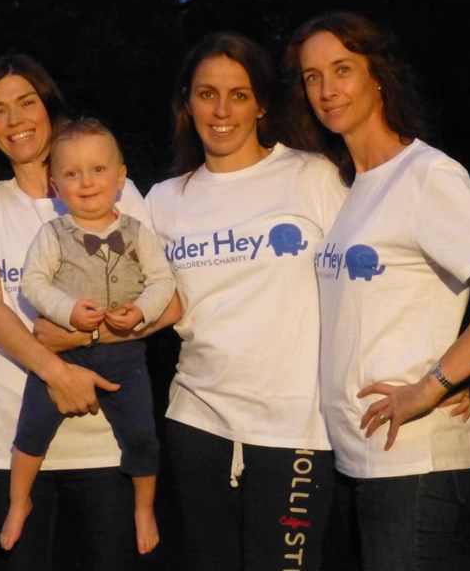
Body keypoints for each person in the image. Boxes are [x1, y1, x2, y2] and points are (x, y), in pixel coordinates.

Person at [284, 11, 470, 570]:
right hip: (354, 455)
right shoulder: (350, 185)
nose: (327, 90)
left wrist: (436, 384)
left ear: (377, 75)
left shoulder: (426, 176)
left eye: (342, 69)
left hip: (413, 458)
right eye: (312, 77)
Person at [0, 54, 165, 570]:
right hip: (9, 439)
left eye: (26, 103)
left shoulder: (116, 191)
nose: (15, 120)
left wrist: (83, 341)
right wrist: (57, 373)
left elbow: (165, 303)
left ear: (49, 107)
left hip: (104, 440)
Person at [144, 32, 348, 571]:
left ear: (261, 105)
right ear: (187, 103)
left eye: (238, 95)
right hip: (197, 421)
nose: (221, 110)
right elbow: (140, 301)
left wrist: (430, 371)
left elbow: (369, 285)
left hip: (295, 424)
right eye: (206, 94)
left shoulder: (312, 175)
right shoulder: (164, 200)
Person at [0, 117, 175, 554]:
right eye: (73, 173)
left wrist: (140, 311)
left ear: (120, 178)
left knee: (141, 435)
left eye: (98, 170)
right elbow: (32, 284)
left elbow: (163, 282)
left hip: (125, 360)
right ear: (56, 186)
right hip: (63, 358)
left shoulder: (138, 233)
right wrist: (69, 311)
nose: (87, 182)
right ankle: (19, 501)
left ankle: (144, 508)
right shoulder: (52, 234)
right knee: (31, 429)